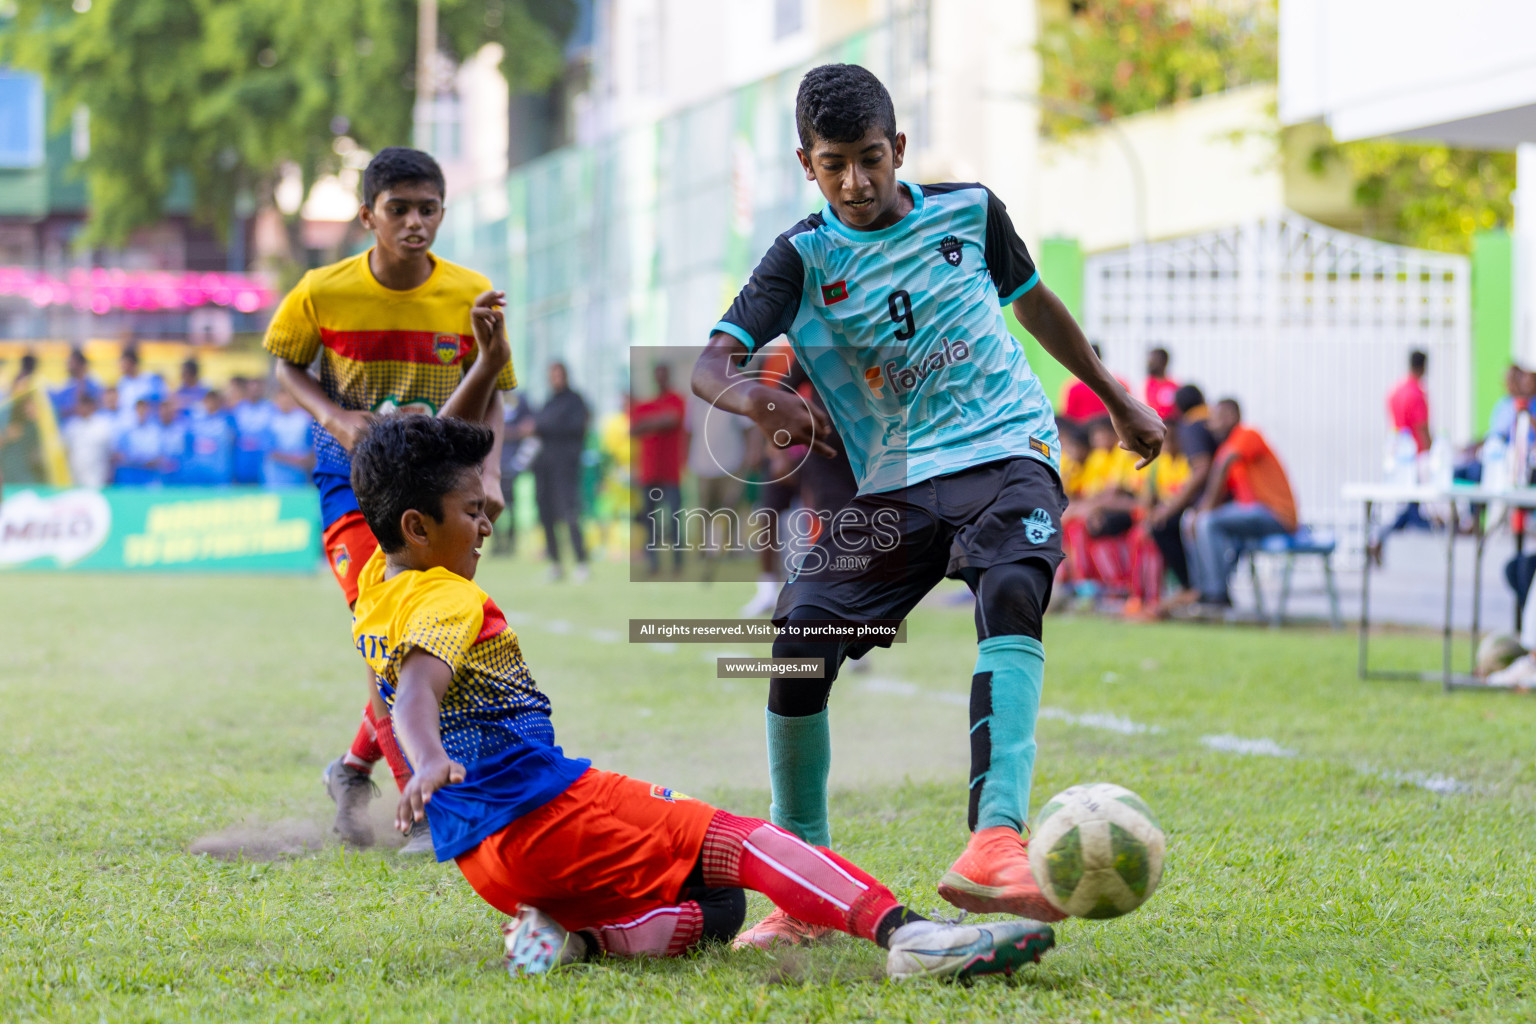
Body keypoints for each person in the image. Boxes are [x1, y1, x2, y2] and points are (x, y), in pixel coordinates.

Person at [690, 63, 1163, 947]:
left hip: (1006, 444)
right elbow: (709, 366)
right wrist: (769, 400)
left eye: (870, 158)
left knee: (1014, 587)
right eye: (834, 165)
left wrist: (1112, 394)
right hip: (898, 480)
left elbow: (1036, 306)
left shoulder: (971, 212)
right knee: (797, 647)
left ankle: (995, 842)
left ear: (899, 148)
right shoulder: (801, 256)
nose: (855, 183)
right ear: (807, 164)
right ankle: (808, 884)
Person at [348, 413, 1055, 979]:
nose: (488, 520)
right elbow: (415, 690)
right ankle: (914, 935)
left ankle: (575, 942)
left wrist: (481, 373)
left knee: (717, 905)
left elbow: (399, 673)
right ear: (416, 525)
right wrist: (429, 758)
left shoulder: (380, 588)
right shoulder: (448, 595)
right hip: (547, 814)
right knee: (742, 843)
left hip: (490, 862)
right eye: (472, 510)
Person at [263, 145, 515, 855]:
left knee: (418, 632)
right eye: (398, 209)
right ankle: (425, 808)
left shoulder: (469, 292)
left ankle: (352, 770)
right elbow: (286, 364)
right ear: (367, 214)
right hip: (351, 480)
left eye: (427, 209)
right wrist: (338, 419)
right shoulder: (321, 290)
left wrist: (488, 473)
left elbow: (491, 391)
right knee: (391, 636)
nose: (414, 222)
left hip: (434, 486)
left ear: (442, 211)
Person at [1184, 398, 1297, 615]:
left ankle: (1217, 595)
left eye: (1217, 419)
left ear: (1232, 417)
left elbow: (1225, 465)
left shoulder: (1247, 435)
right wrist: (1198, 513)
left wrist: (1204, 512)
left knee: (1207, 521)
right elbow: (1219, 490)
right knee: (1190, 520)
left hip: (1276, 515)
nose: (1212, 425)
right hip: (1252, 515)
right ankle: (1202, 590)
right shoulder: (1225, 450)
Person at [1143, 384, 1219, 610]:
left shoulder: (1193, 427)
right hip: (1213, 502)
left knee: (1167, 524)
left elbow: (1203, 470)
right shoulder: (1210, 422)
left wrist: (1170, 508)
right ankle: (1191, 588)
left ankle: (1193, 588)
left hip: (1207, 505)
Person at [532, 362, 590, 580]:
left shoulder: (575, 401)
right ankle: (555, 563)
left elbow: (576, 428)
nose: (555, 378)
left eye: (558, 374)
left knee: (569, 513)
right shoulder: (548, 403)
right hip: (545, 468)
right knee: (546, 514)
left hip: (565, 468)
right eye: (552, 374)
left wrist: (544, 426)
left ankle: (581, 562)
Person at [631, 363, 687, 576]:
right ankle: (653, 563)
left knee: (674, 519)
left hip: (671, 473)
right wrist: (657, 421)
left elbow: (672, 419)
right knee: (650, 520)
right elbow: (634, 429)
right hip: (649, 473)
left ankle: (678, 563)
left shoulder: (677, 400)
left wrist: (648, 423)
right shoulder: (647, 404)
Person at [492, 391, 537, 556]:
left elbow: (529, 428)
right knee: (492, 504)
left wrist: (504, 432)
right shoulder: (492, 398)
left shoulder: (521, 399)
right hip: (493, 463)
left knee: (510, 504)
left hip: (512, 462)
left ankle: (511, 542)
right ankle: (497, 543)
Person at [262, 387, 316, 488]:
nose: (285, 402)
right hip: (275, 479)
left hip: (299, 478)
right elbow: (269, 450)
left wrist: (307, 460)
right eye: (282, 398)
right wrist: (296, 461)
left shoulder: (304, 420)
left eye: (288, 398)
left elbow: (312, 446)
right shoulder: (270, 421)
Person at [61, 391, 116, 488]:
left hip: (97, 477)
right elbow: (65, 449)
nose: (81, 409)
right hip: (76, 477)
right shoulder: (72, 426)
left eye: (84, 406)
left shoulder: (102, 425)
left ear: (91, 406)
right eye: (80, 406)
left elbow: (110, 452)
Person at [181, 389, 236, 485]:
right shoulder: (195, 421)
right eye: (208, 401)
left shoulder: (226, 420)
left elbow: (232, 443)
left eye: (214, 401)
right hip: (198, 470)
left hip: (219, 471)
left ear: (219, 402)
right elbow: (188, 444)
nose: (211, 404)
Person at [231, 376, 275, 485]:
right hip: (243, 458)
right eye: (252, 388)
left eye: (257, 388)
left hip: (262, 459)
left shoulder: (269, 408)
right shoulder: (239, 409)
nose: (255, 391)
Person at [113, 398, 165, 485]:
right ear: (135, 410)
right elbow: (120, 453)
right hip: (131, 472)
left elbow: (158, 454)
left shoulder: (155, 430)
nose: (142, 412)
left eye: (144, 409)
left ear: (148, 411)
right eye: (139, 409)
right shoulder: (127, 430)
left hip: (149, 473)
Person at [115, 344, 165, 426]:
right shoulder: (122, 383)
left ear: (132, 363)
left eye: (124, 363)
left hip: (149, 426)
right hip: (128, 428)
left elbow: (162, 401)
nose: (121, 366)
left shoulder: (150, 379)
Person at [51, 347, 102, 422]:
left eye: (71, 363)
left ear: (80, 364)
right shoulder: (66, 385)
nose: (68, 365)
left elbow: (98, 407)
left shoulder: (94, 384)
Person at [155, 398, 188, 484]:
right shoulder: (152, 430)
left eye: (169, 411)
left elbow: (184, 454)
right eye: (163, 411)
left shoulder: (181, 431)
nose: (165, 414)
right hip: (155, 476)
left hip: (177, 475)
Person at [1142, 346, 1179, 419]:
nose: (1150, 364)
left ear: (1164, 362)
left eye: (1153, 360)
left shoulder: (1174, 386)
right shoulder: (1145, 384)